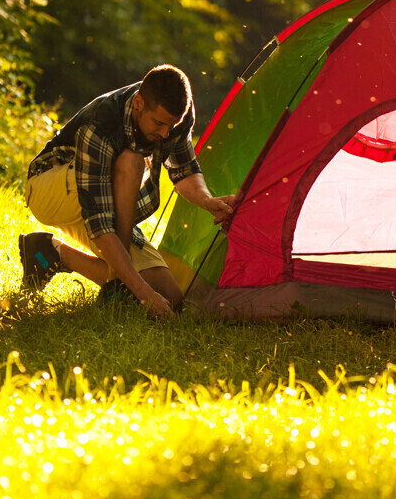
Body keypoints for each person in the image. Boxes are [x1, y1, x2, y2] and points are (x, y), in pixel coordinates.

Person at [18, 65, 235, 319]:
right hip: (50, 188)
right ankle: (123, 282)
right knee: (131, 161)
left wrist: (207, 201)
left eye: (171, 126)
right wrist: (143, 293)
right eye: (159, 123)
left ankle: (49, 251)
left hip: (103, 203)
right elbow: (99, 223)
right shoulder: (101, 124)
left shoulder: (175, 118)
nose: (165, 133)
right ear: (139, 104)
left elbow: (184, 170)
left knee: (170, 297)